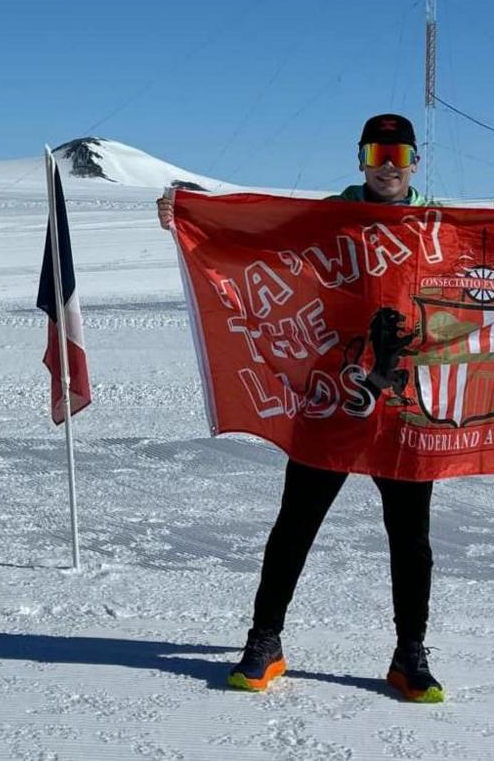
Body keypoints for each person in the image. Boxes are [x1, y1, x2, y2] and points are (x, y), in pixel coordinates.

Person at [156, 113, 444, 703]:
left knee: (410, 535)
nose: (387, 166)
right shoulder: (323, 221)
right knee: (297, 521)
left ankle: (409, 652)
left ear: (415, 160)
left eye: (398, 154)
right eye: (376, 153)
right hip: (331, 394)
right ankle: (265, 639)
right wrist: (188, 216)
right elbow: (253, 238)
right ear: (360, 159)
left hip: (406, 402)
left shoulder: (439, 224)